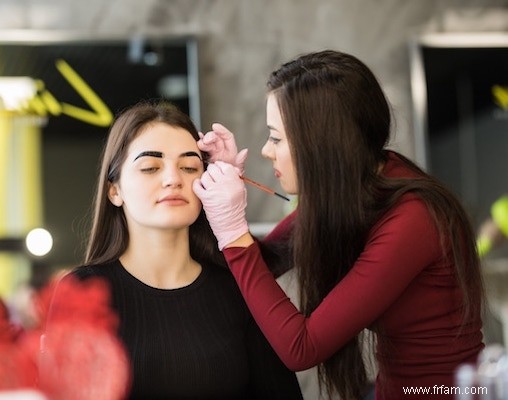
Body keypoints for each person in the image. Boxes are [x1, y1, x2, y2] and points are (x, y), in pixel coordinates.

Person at [193, 50, 485, 400]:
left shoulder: (415, 217)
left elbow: (301, 347)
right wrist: (222, 200)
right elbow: (264, 264)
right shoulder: (356, 187)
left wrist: (233, 229)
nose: (266, 151)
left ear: (321, 144)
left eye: (276, 138)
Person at [56, 101, 303, 399]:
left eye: (189, 167)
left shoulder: (238, 288)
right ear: (114, 191)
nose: (174, 179)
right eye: (150, 167)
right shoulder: (82, 291)